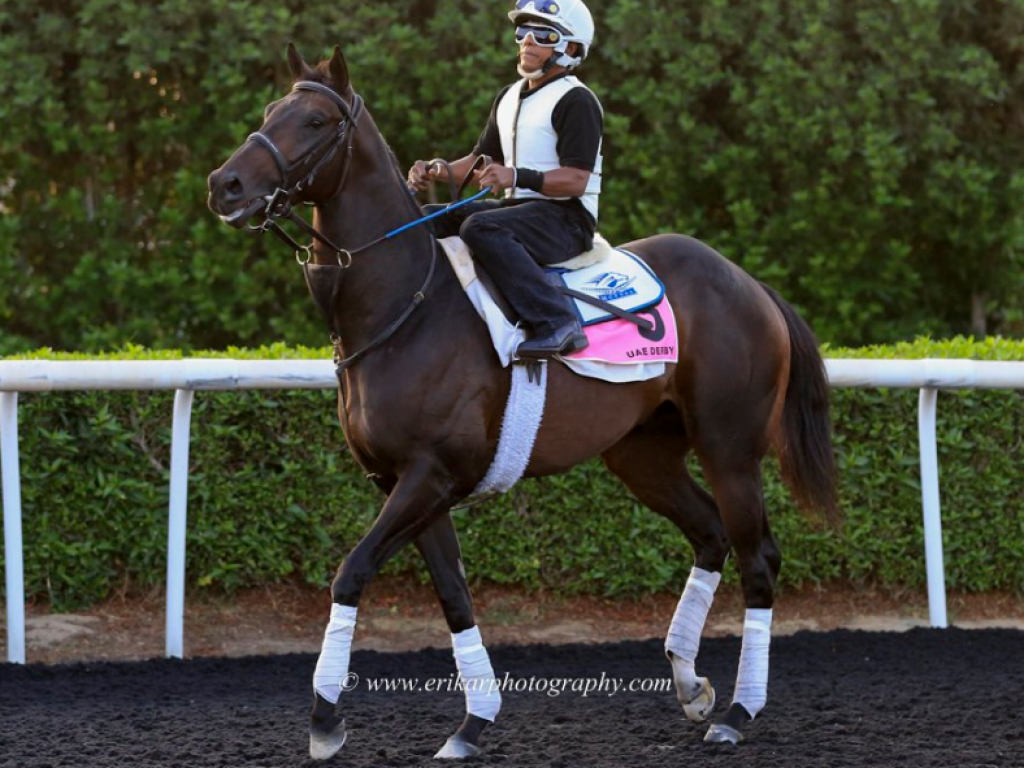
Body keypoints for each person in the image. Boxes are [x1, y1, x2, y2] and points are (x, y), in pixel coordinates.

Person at [408, 0, 604, 359]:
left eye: (542, 34)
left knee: (481, 228)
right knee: (429, 216)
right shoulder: (509, 96)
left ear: (571, 48)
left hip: (567, 220)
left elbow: (576, 180)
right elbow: (479, 161)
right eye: (522, 32)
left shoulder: (577, 100)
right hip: (521, 211)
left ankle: (557, 322)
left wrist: (515, 175)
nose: (527, 42)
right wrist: (434, 169)